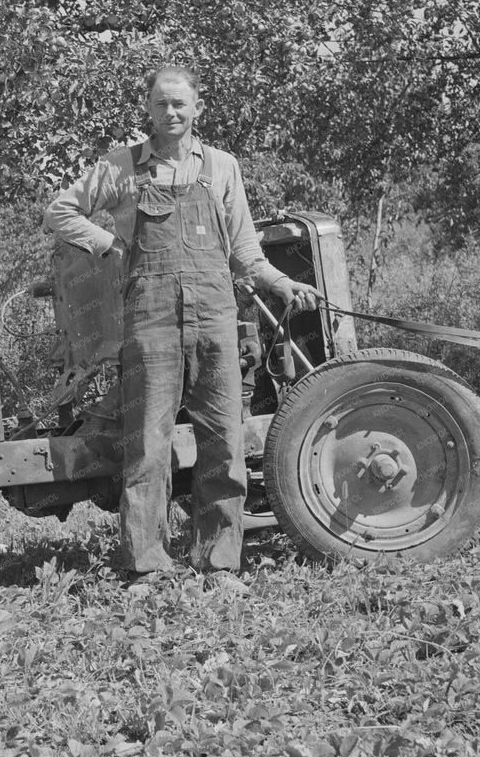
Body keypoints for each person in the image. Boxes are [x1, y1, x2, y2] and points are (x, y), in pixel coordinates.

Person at [45, 65, 320, 591]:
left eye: (180, 105)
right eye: (160, 104)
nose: (170, 113)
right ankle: (146, 565)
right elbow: (60, 210)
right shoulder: (120, 167)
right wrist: (107, 244)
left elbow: (244, 252)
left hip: (216, 320)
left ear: (198, 107)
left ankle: (218, 564)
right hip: (148, 323)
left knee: (224, 441)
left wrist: (280, 283)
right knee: (147, 444)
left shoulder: (221, 167)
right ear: (147, 108)